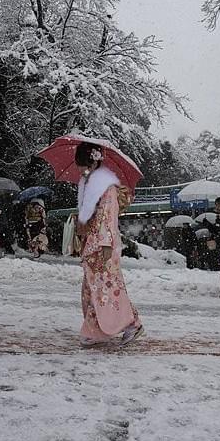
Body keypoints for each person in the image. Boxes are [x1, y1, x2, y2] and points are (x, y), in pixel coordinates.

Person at [74, 141, 143, 346]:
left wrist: (105, 243)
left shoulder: (105, 187)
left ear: (93, 163)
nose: (81, 169)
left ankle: (124, 324)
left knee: (105, 288)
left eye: (83, 164)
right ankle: (102, 327)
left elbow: (108, 217)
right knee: (95, 287)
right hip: (94, 243)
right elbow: (96, 216)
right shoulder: (91, 185)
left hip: (103, 244)